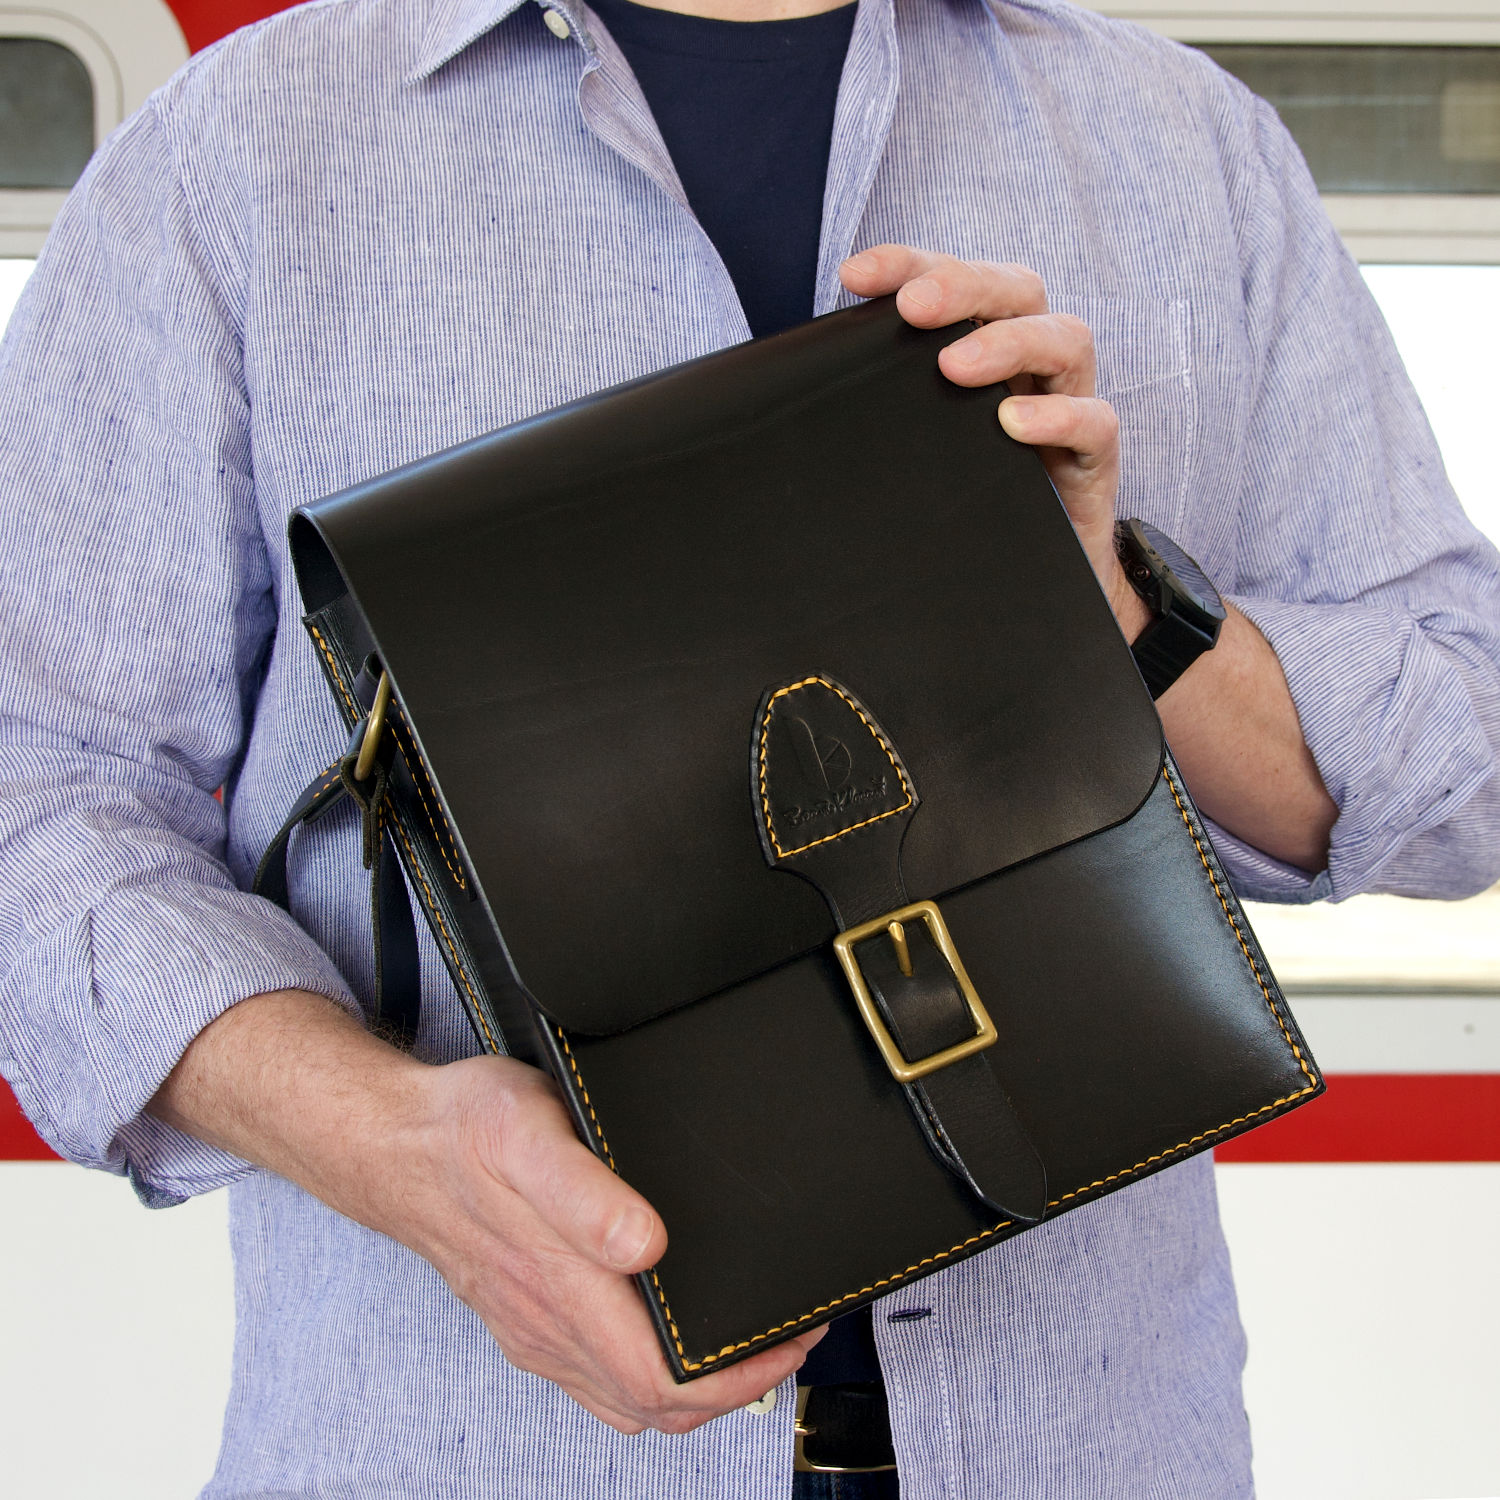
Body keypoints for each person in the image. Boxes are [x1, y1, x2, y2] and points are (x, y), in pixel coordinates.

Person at [1, 0, 1497, 1494]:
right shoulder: (244, 147)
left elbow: (1458, 777)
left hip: (1095, 1444)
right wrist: (398, 1151)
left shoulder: (1189, 143)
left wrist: (1113, 603)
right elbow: (38, 797)